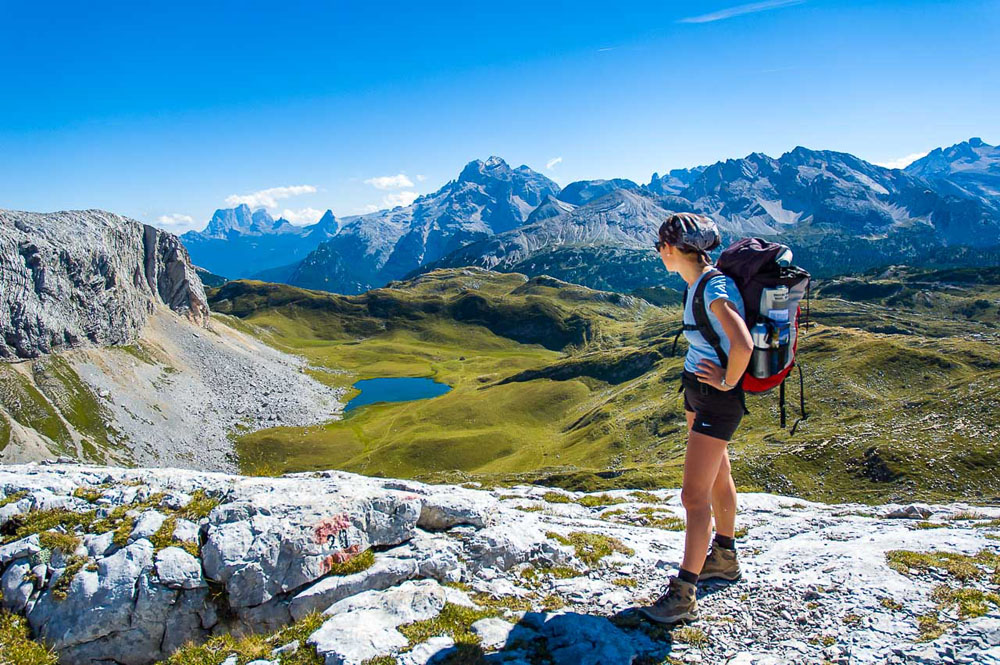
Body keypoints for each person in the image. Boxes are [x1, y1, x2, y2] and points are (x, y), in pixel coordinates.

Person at [639, 212, 753, 625]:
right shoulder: (700, 283)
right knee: (718, 475)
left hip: (715, 400)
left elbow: (742, 342)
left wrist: (727, 381)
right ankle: (723, 557)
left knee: (692, 496)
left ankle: (684, 594)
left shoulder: (713, 288)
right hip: (700, 393)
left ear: (671, 248)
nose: (659, 254)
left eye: (659, 247)